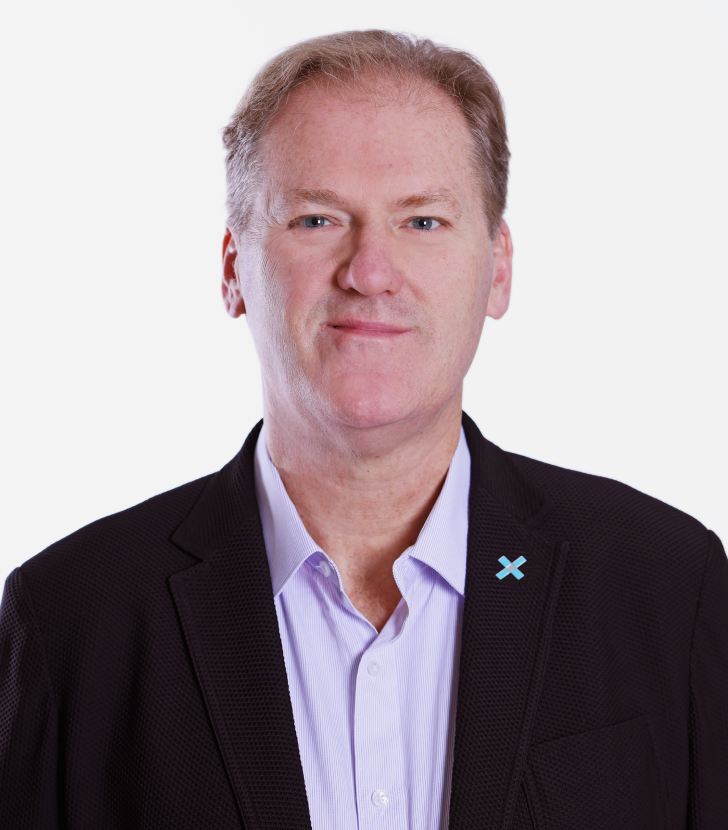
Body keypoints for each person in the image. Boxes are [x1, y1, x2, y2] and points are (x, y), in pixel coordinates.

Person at [0, 29, 726, 830]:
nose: (370, 272)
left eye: (422, 222)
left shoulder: (666, 584)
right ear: (234, 269)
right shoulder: (74, 619)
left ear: (499, 267)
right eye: (316, 220)